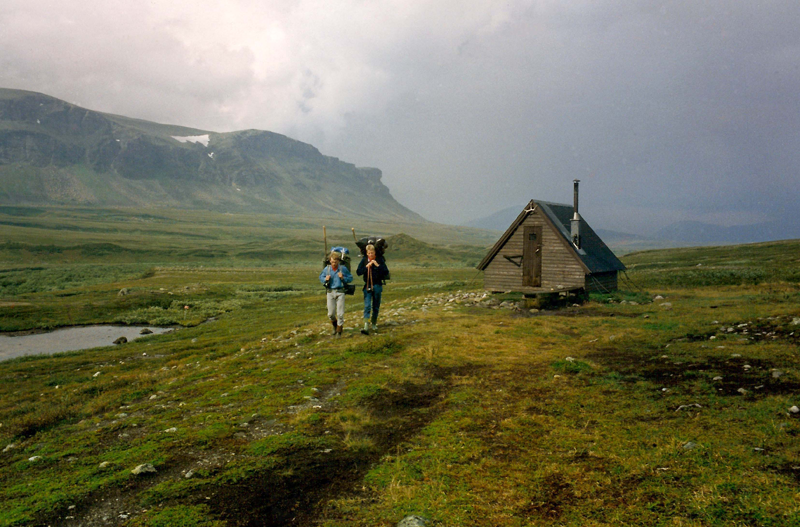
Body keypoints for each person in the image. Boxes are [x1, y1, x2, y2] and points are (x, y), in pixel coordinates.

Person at [356, 244, 389, 335]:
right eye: (369, 253)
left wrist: (377, 265)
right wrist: (366, 267)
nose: (371, 254)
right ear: (367, 253)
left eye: (372, 253)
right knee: (367, 306)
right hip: (367, 286)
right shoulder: (364, 260)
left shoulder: (380, 260)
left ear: (375, 253)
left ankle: (374, 323)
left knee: (376, 306)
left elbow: (386, 272)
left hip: (377, 285)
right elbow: (358, 272)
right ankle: (366, 325)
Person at [319, 251, 353, 337]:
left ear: (338, 261)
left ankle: (339, 331)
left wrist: (343, 278)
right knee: (330, 314)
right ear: (330, 261)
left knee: (340, 314)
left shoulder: (343, 269)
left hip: (340, 292)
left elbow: (350, 278)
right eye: (332, 261)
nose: (334, 263)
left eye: (335, 261)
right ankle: (335, 326)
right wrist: (325, 279)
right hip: (330, 292)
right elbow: (321, 277)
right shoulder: (326, 269)